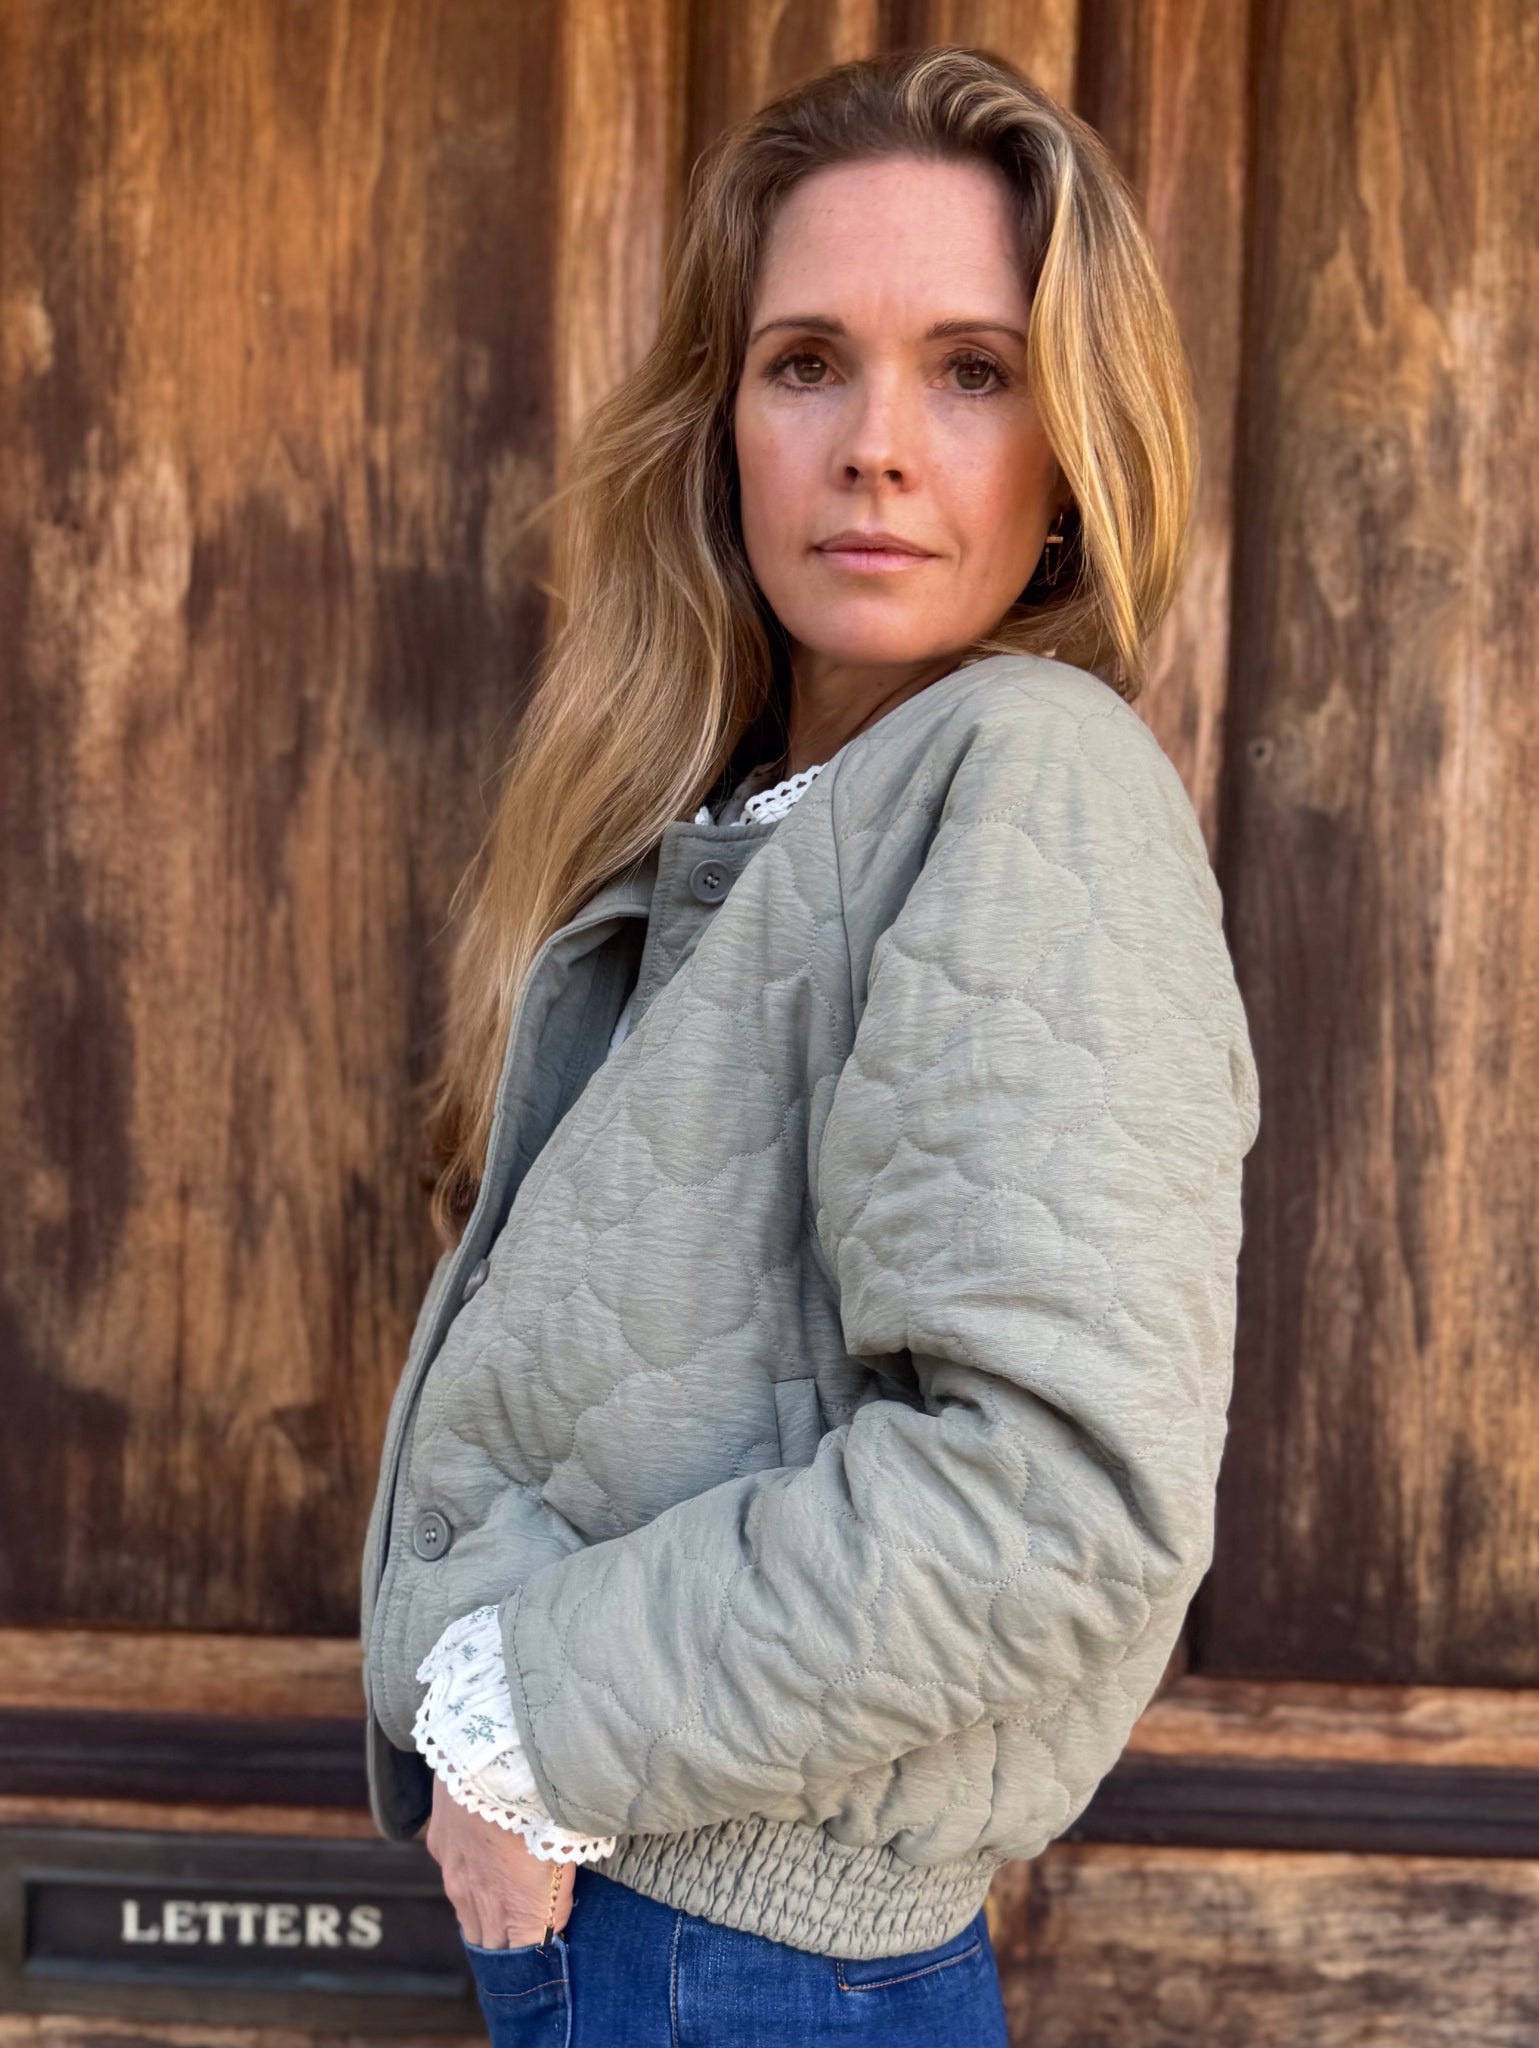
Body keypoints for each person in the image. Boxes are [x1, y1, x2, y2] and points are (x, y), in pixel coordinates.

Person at [359, 42, 1261, 2048]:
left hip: (745, 1963)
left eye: (972, 369)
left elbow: (1057, 1495)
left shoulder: (1032, 778)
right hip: (664, 1943)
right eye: (803, 365)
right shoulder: (767, 818)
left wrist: (529, 1719)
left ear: (1071, 451)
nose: (874, 446)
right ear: (723, 428)